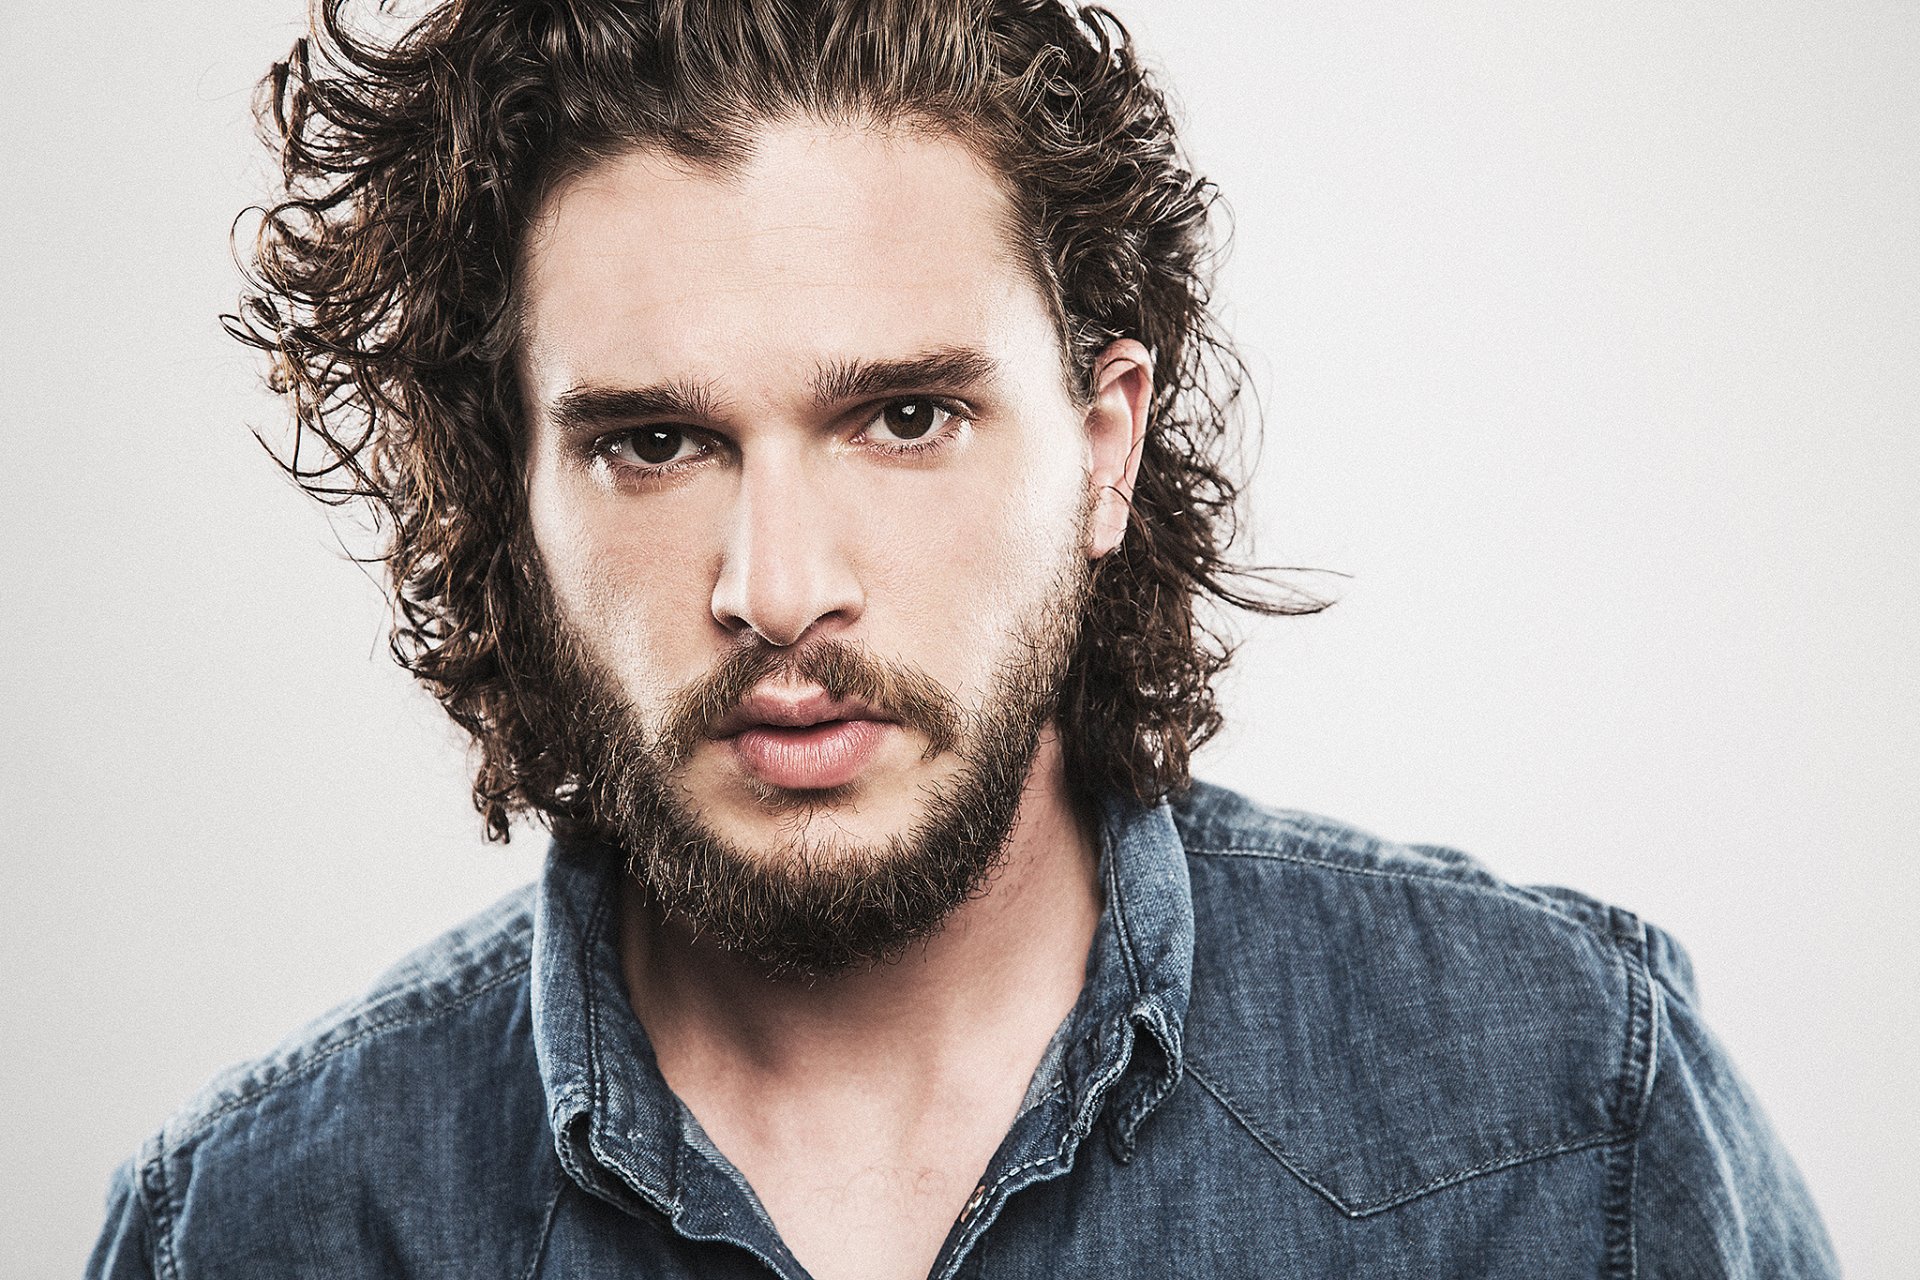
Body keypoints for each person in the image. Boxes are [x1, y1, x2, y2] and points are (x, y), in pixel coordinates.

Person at [89, 1, 1837, 1276]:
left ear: (1101, 443)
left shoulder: (1564, 1117)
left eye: (904, 418)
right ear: (513, 489)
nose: (776, 589)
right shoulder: (254, 1230)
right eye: (653, 442)